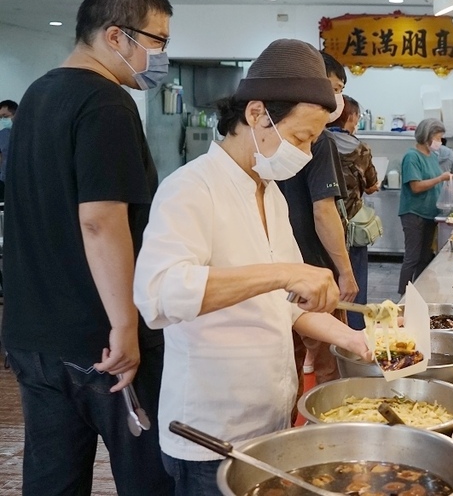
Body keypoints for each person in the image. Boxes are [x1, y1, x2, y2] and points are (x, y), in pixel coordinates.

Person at [133, 39, 371, 494]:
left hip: (270, 420)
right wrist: (285, 273)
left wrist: (350, 337)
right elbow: (160, 294)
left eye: (313, 142)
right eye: (301, 137)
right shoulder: (190, 189)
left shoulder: (271, 192)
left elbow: (283, 303)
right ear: (258, 114)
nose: (304, 152)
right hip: (210, 431)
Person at [0, 0, 175, 495]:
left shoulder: (36, 94)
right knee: (149, 477)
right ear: (116, 36)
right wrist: (124, 324)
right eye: (158, 41)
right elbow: (99, 220)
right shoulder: (106, 104)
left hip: (33, 335)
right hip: (99, 342)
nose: (160, 56)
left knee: (53, 480)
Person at [277, 49, 358, 389]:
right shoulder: (320, 141)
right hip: (312, 270)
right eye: (334, 87)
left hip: (281, 273)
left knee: (291, 359)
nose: (336, 98)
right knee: (326, 365)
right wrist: (345, 271)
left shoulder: (283, 137)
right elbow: (323, 210)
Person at [331, 93, 380, 329]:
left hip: (319, 229)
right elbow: (372, 186)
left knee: (328, 285)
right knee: (354, 283)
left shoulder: (316, 143)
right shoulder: (360, 149)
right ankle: (355, 334)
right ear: (350, 116)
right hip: (352, 226)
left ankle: (330, 336)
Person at [398, 118, 453, 295]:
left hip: (430, 214)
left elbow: (436, 183)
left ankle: (419, 294)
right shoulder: (412, 157)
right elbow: (416, 186)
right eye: (437, 137)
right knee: (412, 258)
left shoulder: (432, 156)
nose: (439, 142)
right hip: (414, 213)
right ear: (427, 136)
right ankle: (403, 296)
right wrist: (440, 178)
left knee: (425, 258)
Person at [0, 99, 17, 200]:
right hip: (5, 182)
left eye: (5, 116)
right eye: (0, 118)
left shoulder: (31, 133)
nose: (3, 120)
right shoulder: (2, 135)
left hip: (25, 182)